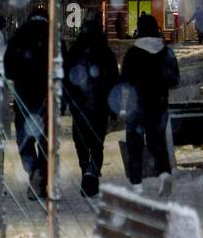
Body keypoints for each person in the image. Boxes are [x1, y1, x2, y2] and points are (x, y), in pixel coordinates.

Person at [120, 13, 180, 197]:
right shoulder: (167, 53)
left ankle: (137, 184)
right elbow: (174, 80)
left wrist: (123, 106)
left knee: (135, 144)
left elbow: (125, 83)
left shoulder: (133, 53)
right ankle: (164, 174)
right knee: (157, 142)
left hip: (136, 107)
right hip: (158, 105)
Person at [63, 16, 118, 197]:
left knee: (81, 141)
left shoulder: (74, 52)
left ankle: (86, 168)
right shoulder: (106, 53)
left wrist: (67, 100)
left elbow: (66, 79)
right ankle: (92, 172)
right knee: (96, 142)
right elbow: (114, 81)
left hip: (79, 106)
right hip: (100, 106)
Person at [4, 7, 50, 200]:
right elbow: (62, 67)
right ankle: (41, 172)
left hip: (24, 96)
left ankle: (32, 170)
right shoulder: (52, 36)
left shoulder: (19, 35)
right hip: (47, 97)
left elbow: (8, 69)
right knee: (46, 141)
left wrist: (21, 74)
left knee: (25, 140)